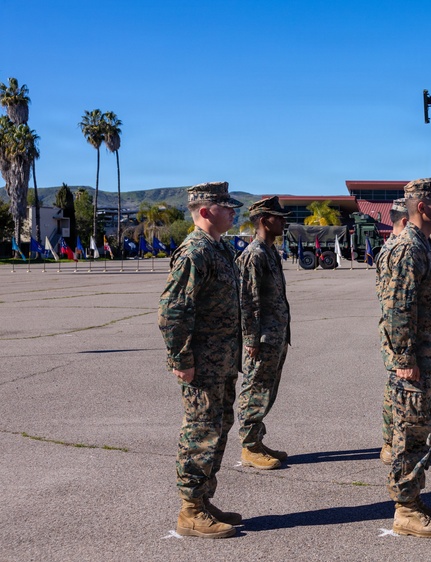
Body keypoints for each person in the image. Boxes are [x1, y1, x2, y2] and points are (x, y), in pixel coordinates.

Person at [158, 181, 243, 539]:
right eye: (226, 207)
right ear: (206, 211)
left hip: (222, 362)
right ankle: (190, 511)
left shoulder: (218, 248)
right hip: (203, 364)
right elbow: (172, 312)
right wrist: (181, 358)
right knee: (200, 432)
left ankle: (203, 500)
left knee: (218, 428)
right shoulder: (195, 252)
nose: (233, 212)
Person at [378, 178, 431, 538]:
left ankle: (413, 498)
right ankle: (405, 510)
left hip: (428, 360)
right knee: (409, 434)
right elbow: (397, 310)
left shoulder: (423, 245)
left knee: (422, 433)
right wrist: (405, 358)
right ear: (423, 207)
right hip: (415, 363)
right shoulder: (407, 249)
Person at [235, 196, 292, 470]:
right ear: (262, 220)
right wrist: (250, 339)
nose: (283, 221)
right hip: (262, 339)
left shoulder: (269, 251)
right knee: (255, 389)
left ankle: (256, 440)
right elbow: (248, 301)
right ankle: (249, 447)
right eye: (277, 216)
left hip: (275, 336)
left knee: (266, 391)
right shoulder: (254, 254)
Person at [378, 198, 409, 465]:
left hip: (394, 331)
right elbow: (395, 303)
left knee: (394, 389)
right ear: (406, 220)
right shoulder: (396, 250)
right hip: (395, 331)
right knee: (395, 392)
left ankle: (391, 440)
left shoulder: (395, 246)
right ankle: (390, 442)